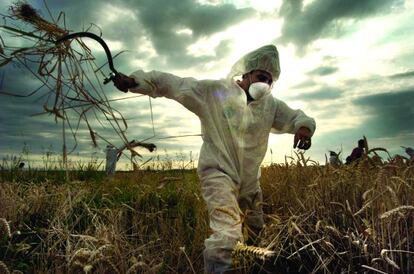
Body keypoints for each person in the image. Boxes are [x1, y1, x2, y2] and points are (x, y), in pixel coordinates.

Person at [112, 45, 316, 273]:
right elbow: (175, 85)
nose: (265, 84)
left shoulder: (270, 106)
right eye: (261, 77)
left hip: (250, 182)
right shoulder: (215, 91)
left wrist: (304, 128)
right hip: (218, 173)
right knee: (227, 234)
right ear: (247, 73)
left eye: (270, 81)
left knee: (255, 233)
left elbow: (297, 117)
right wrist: (135, 82)